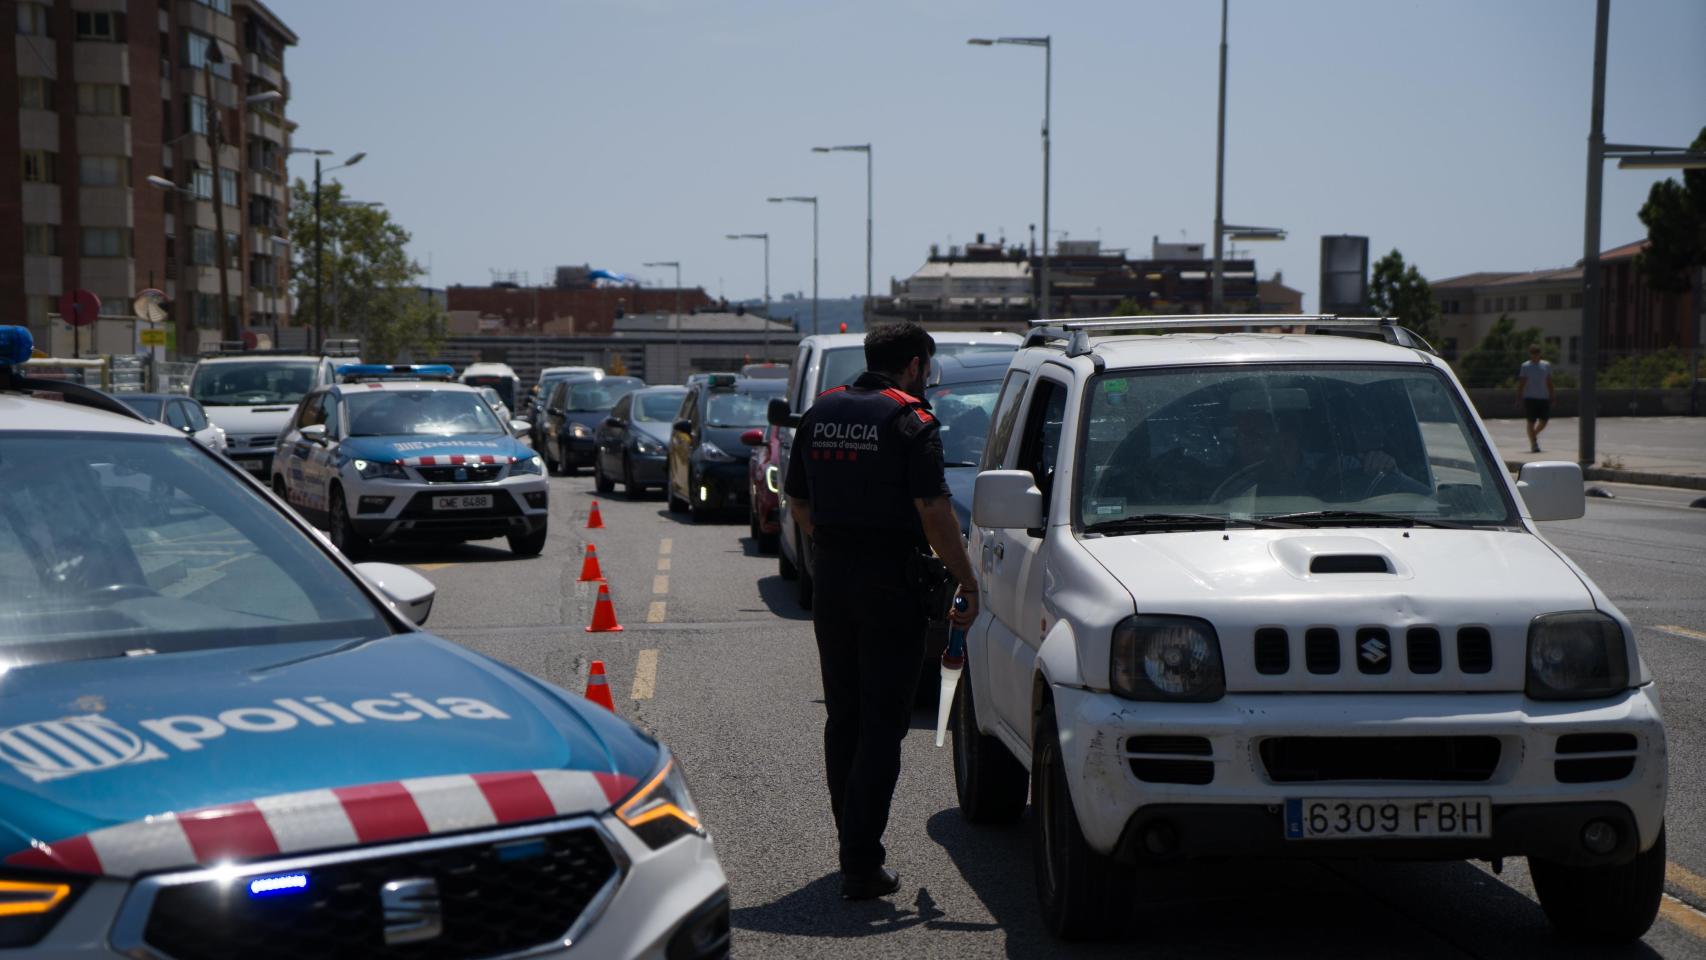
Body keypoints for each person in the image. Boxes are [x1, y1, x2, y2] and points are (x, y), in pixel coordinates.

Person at [783, 322, 979, 901]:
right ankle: (861, 863)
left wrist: (834, 544)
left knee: (844, 715)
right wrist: (966, 578)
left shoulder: (821, 412)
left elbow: (795, 500)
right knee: (883, 725)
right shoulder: (909, 419)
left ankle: (853, 842)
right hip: (888, 582)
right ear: (915, 365)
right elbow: (934, 509)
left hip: (833, 577)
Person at [1518, 345, 1554, 453]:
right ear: (1530, 354)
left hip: (1543, 397)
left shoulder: (1546, 365)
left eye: (1537, 353)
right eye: (1533, 353)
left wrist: (1552, 395)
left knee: (1544, 420)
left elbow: (1549, 381)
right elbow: (1522, 383)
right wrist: (1519, 397)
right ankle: (1534, 443)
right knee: (1531, 421)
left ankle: (1533, 434)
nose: (1535, 355)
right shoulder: (1525, 366)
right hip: (1530, 397)